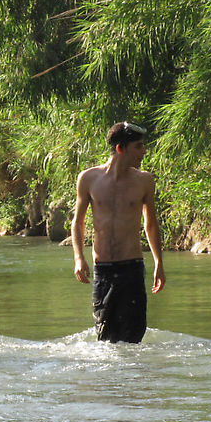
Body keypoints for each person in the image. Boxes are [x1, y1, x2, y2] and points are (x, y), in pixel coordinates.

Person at [72, 121, 165, 343]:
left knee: (133, 339)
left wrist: (159, 263)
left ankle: (133, 378)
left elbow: (150, 223)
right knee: (105, 339)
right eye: (139, 146)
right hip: (102, 270)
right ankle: (111, 379)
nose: (144, 152)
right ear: (121, 148)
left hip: (131, 268)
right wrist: (78, 258)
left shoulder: (144, 180)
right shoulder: (88, 178)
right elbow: (78, 222)